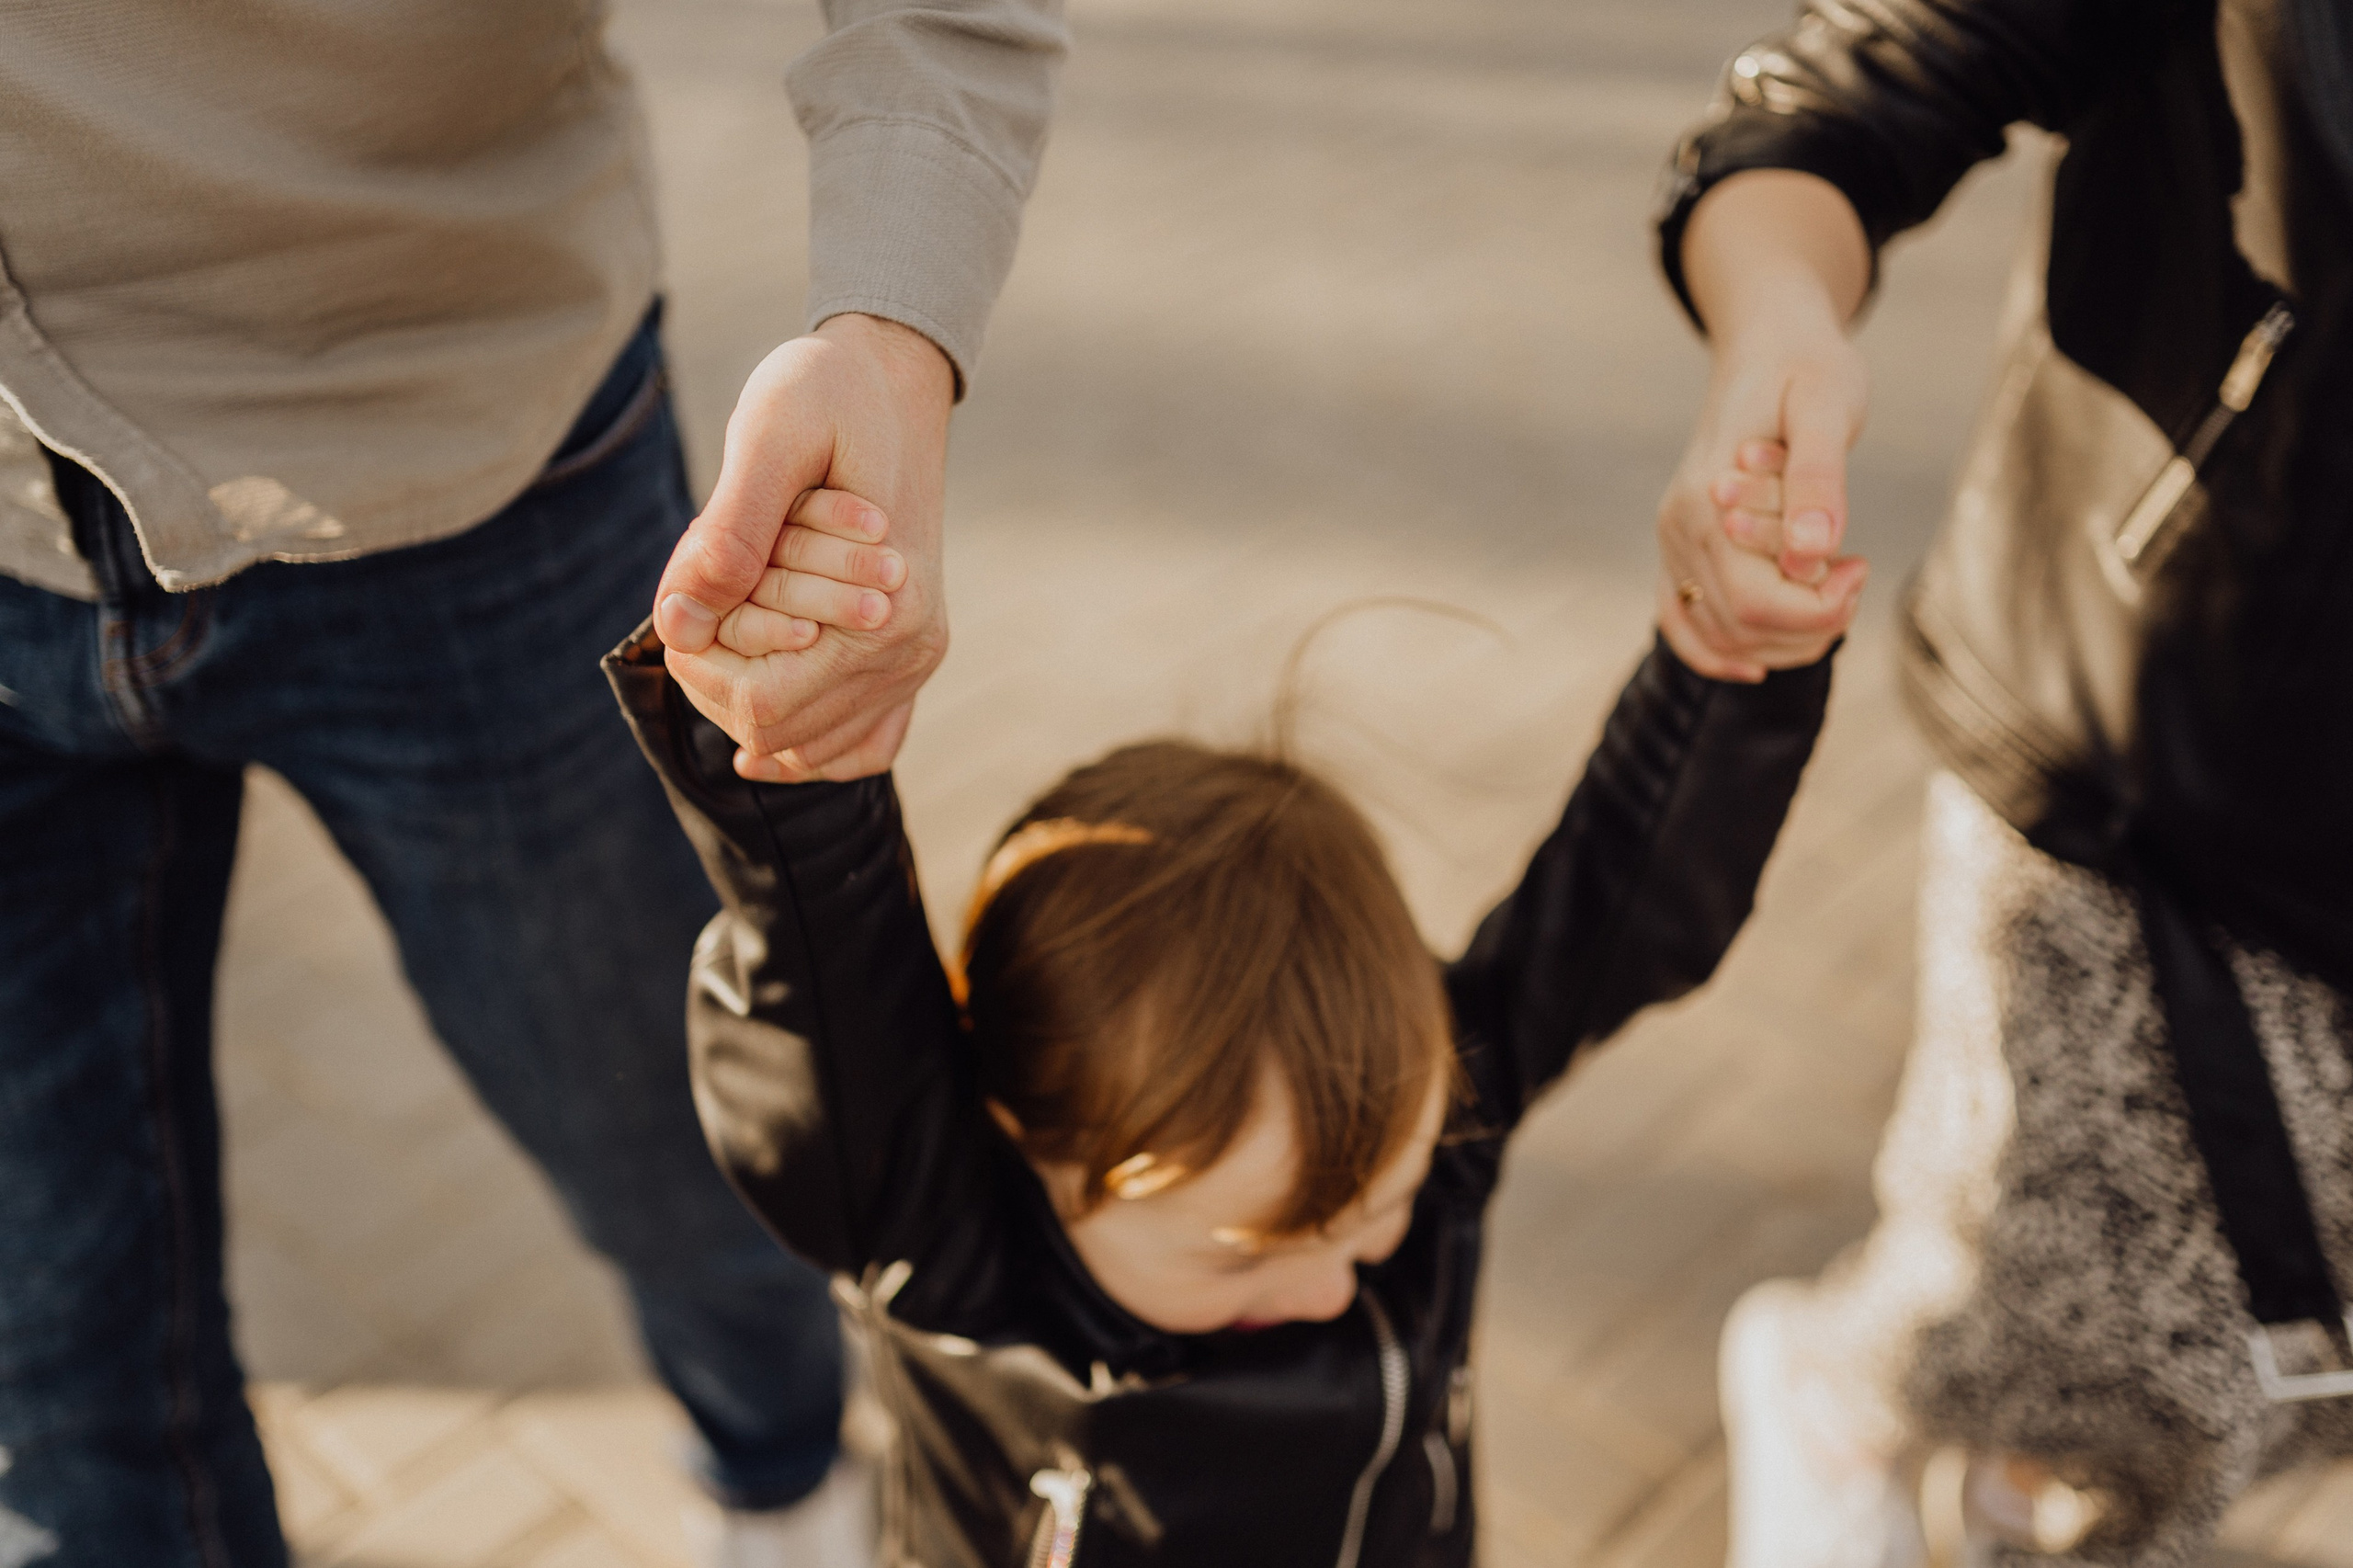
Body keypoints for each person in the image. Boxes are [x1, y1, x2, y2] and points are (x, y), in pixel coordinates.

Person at [0, 3, 1063, 1564]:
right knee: (59, 1369)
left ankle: (783, 1472)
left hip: (468, 463)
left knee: (681, 1157)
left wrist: (895, 336)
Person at [600, 546, 1854, 1565]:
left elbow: (1614, 909)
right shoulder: (944, 1233)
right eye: (1243, 1254)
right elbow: (827, 984)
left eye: (1376, 1220)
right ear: (1038, 1135)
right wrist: (797, 756)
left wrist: (1730, 672)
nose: (1328, 1288)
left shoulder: (1415, 1108)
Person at [1652, 1, 2353, 1562]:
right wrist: (1780, 330)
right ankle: (1842, 1405)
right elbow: (1847, 85)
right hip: (2152, 803)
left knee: (2278, 1402)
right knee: (2091, 1346)